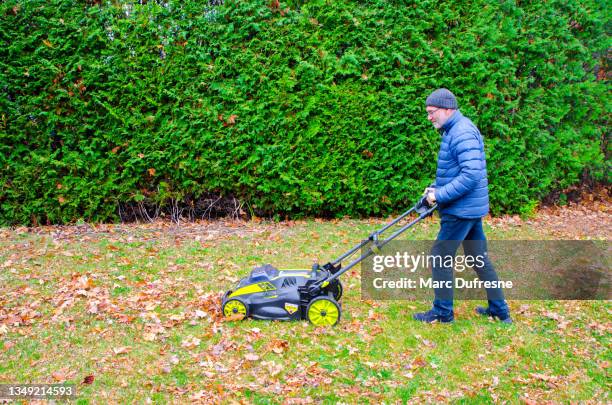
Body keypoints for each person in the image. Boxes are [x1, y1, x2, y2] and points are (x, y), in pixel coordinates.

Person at [413, 88, 512, 324]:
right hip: (468, 208)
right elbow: (456, 171)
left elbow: (470, 175)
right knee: (478, 258)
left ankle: (442, 312)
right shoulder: (455, 129)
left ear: (447, 109)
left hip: (461, 210)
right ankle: (500, 310)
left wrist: (440, 195)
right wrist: (435, 188)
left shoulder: (461, 132)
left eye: (432, 112)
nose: (429, 117)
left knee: (440, 256)